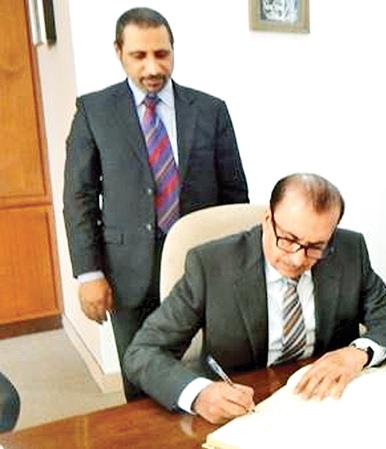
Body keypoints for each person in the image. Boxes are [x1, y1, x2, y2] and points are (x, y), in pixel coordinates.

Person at [123, 173, 386, 424]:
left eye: (316, 246)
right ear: (267, 220)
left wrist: (357, 353)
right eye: (288, 239)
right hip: (247, 408)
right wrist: (199, 394)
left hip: (327, 404)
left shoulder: (349, 250)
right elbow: (143, 352)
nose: (298, 257)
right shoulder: (211, 265)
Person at [63, 7, 249, 400]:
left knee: (216, 366)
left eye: (161, 54)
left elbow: (234, 193)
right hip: (127, 269)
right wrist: (88, 274)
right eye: (139, 55)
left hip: (203, 264)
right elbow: (78, 197)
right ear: (119, 52)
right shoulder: (94, 111)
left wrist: (241, 263)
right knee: (141, 373)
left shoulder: (210, 110)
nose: (152, 67)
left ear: (173, 51)